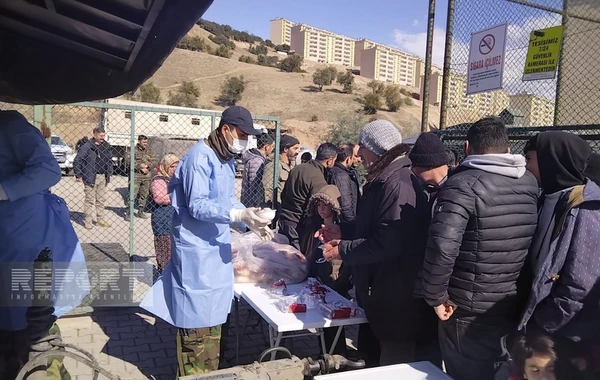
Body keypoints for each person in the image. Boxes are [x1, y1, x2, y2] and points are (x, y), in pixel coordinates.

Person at [139, 106, 273, 376]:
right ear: (226, 129)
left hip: (214, 258)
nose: (245, 140)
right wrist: (237, 213)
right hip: (197, 259)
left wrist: (250, 218)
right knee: (196, 340)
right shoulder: (199, 158)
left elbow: (225, 200)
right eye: (242, 134)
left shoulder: (224, 159)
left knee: (212, 335)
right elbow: (198, 205)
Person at [421, 117, 539, 380]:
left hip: (465, 309)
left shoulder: (461, 186)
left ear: (466, 147)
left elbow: (442, 246)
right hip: (510, 303)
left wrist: (436, 296)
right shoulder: (529, 184)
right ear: (508, 150)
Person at [321, 123, 448, 368]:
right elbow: (375, 227)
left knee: (393, 365)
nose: (358, 154)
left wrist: (343, 250)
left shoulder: (397, 184)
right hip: (383, 296)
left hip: (398, 301)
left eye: (363, 147)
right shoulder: (385, 179)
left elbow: (389, 241)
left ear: (376, 149)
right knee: (374, 357)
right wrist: (343, 231)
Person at [0, 110, 89, 379]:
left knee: (35, 336)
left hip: (24, 241)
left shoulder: (9, 125)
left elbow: (48, 170)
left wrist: (3, 190)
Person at [518, 132, 600, 378]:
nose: (525, 166)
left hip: (568, 332)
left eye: (529, 158)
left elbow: (580, 284)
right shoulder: (552, 197)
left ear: (551, 161)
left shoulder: (586, 207)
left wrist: (545, 321)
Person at [279, 143, 337, 253]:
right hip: (297, 225)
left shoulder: (297, 168)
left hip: (284, 220)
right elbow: (317, 208)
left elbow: (283, 194)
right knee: (296, 261)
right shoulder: (318, 177)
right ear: (329, 160)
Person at [73, 126, 114, 229]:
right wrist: (78, 175)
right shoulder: (87, 146)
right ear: (95, 135)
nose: (102, 138)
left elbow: (109, 161)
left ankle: (100, 220)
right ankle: (88, 221)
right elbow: (77, 161)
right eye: (100, 136)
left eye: (104, 135)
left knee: (101, 200)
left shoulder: (106, 146)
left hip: (102, 176)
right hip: (90, 176)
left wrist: (109, 173)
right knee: (89, 200)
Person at [149, 153, 180, 275]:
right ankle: (163, 275)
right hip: (162, 219)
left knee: (175, 250)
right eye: (172, 166)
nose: (175, 169)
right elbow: (159, 198)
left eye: (177, 166)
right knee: (164, 250)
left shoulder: (176, 180)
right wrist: (177, 196)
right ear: (165, 166)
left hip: (174, 220)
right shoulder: (158, 180)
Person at [263, 134, 300, 208]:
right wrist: (270, 209)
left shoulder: (290, 165)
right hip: (276, 207)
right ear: (286, 149)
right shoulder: (273, 165)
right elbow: (267, 189)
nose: (298, 152)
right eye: (295, 148)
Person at [327, 144, 361, 223]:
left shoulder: (332, 170)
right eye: (354, 156)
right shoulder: (341, 175)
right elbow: (345, 204)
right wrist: (352, 223)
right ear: (348, 159)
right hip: (342, 222)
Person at [124, 135, 155, 220]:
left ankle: (140, 211)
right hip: (135, 176)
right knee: (132, 194)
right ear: (139, 141)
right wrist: (139, 166)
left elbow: (153, 161)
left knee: (144, 195)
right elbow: (128, 161)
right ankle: (129, 212)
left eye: (146, 142)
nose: (146, 143)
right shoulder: (132, 150)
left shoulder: (149, 151)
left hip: (146, 176)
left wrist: (147, 167)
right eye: (144, 142)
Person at [241, 133, 274, 207]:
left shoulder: (257, 159)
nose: (272, 149)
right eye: (272, 147)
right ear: (267, 147)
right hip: (252, 203)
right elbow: (254, 185)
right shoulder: (257, 161)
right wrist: (256, 204)